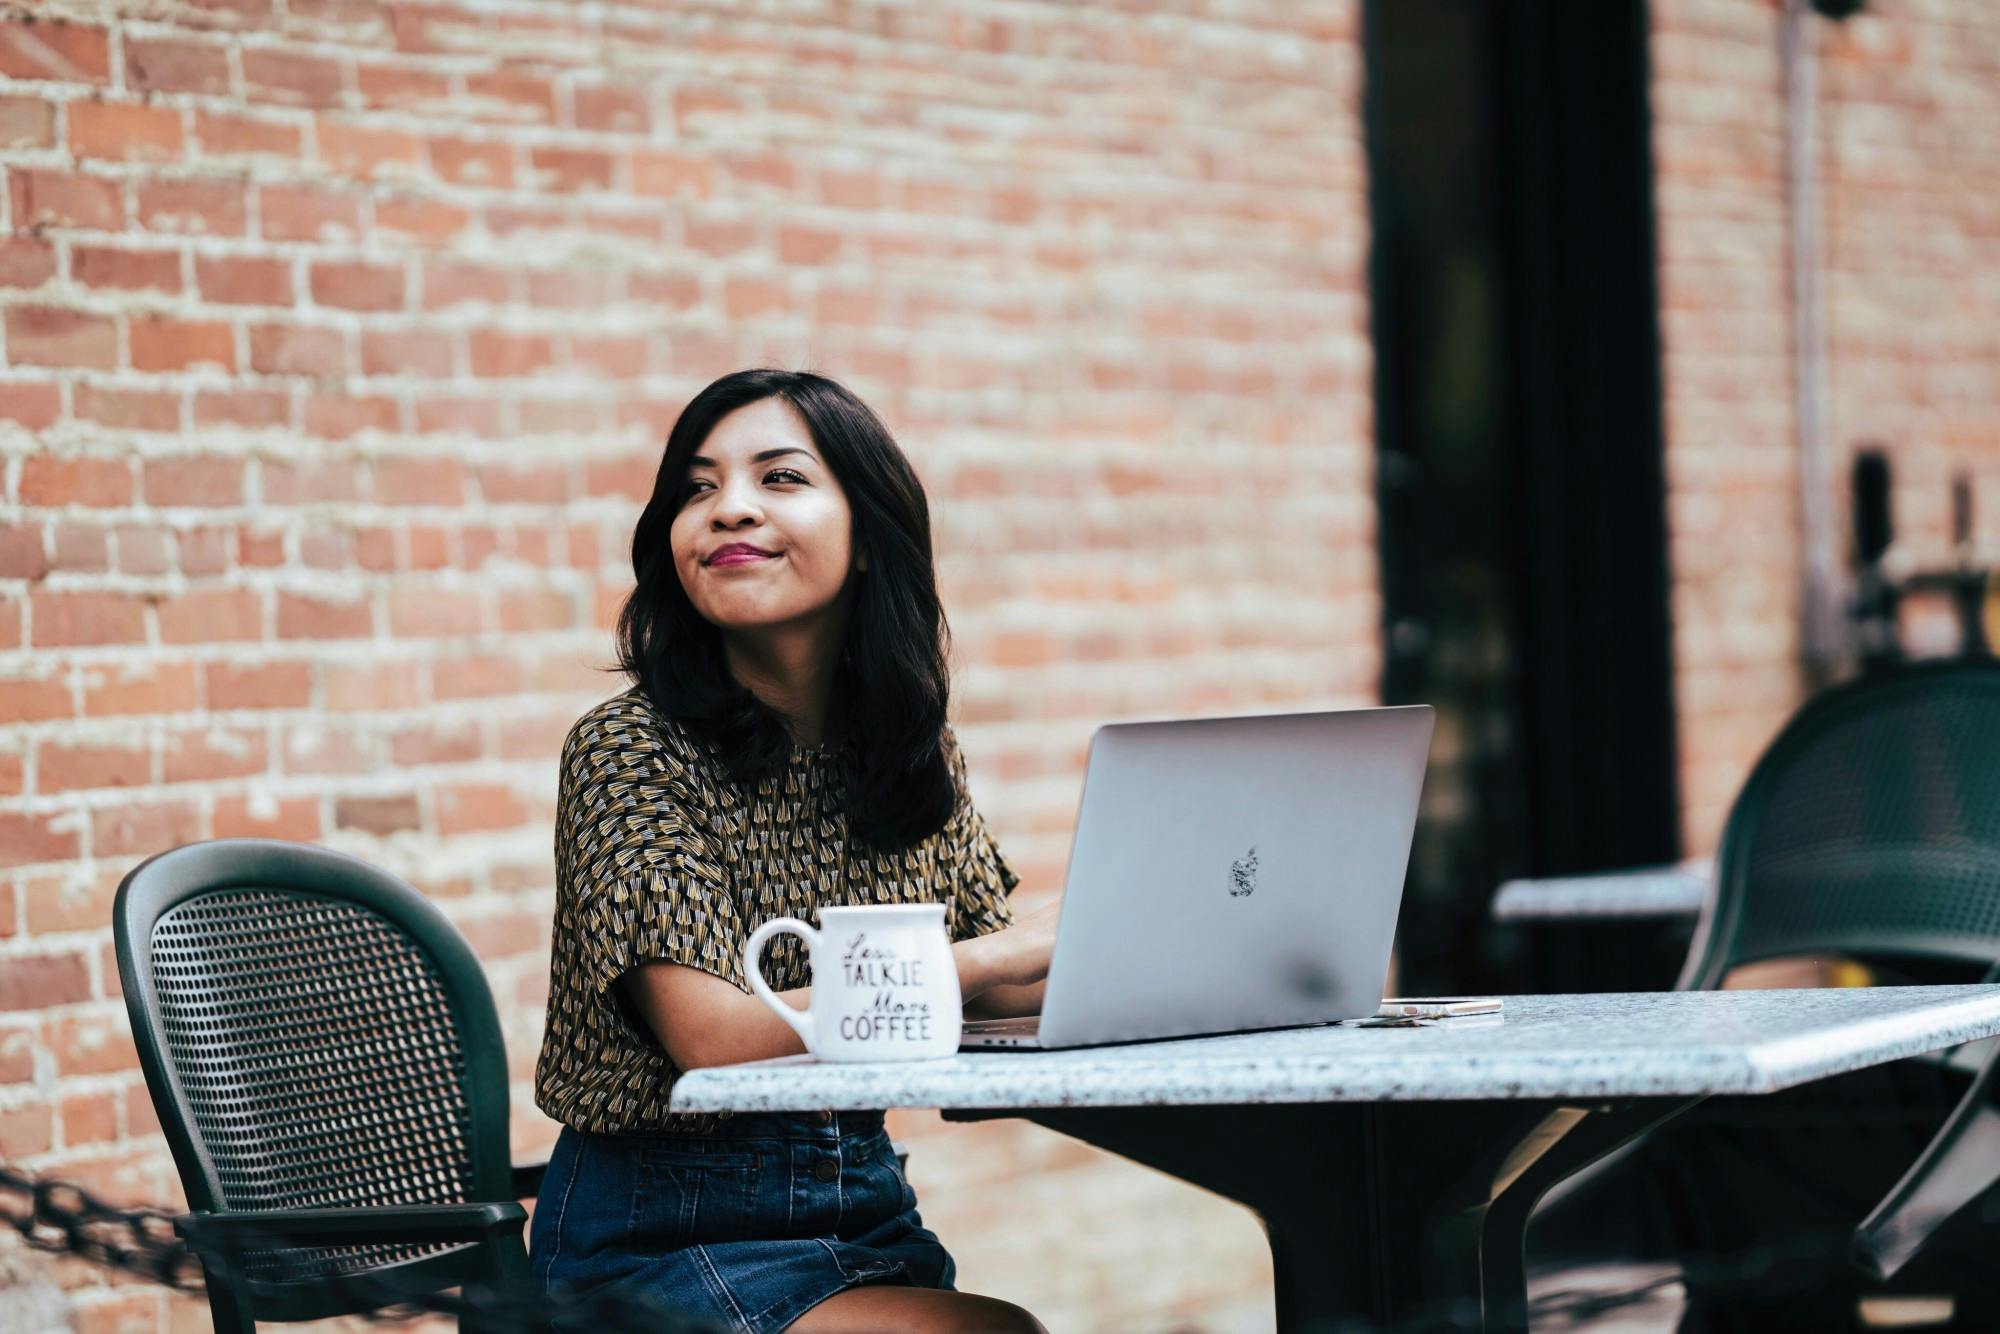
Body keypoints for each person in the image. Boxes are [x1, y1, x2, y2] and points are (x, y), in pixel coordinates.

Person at [529, 368, 1058, 1333]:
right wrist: (997, 954)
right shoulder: (628, 749)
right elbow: (718, 1039)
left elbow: (995, 984)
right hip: (658, 1235)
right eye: (696, 488)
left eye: (779, 478)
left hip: (861, 1200)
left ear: (868, 537)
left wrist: (1149, 949)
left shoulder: (905, 747)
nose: (728, 508)